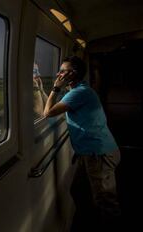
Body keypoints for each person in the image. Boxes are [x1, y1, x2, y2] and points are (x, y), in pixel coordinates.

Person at [43, 56, 121, 231]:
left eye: (63, 71)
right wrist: (41, 87)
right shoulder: (76, 90)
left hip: (98, 153)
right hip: (90, 152)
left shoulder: (80, 92)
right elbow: (53, 103)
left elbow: (47, 112)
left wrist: (56, 87)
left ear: (74, 73)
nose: (58, 74)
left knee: (106, 201)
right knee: (78, 190)